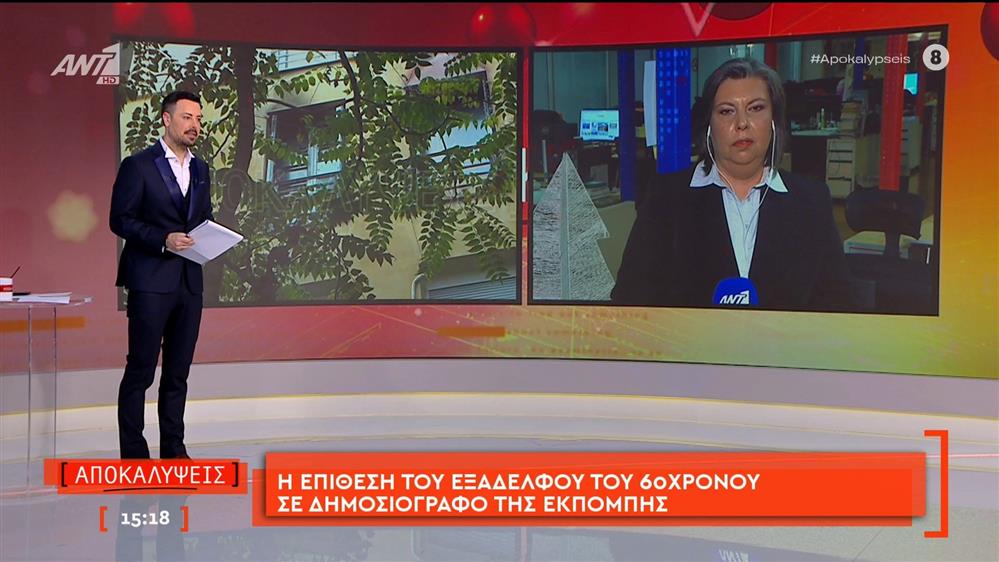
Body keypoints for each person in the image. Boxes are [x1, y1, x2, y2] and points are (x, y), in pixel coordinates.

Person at [612, 58, 855, 311]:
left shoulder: (812, 201)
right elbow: (629, 299)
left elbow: (840, 302)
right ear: (709, 125)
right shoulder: (665, 198)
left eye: (756, 108)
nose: (742, 123)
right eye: (727, 111)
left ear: (774, 120)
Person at [110, 91, 213, 459]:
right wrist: (162, 239)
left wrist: (212, 235)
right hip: (150, 281)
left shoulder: (201, 170)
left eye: (198, 119)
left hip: (189, 281)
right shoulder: (138, 165)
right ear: (167, 119)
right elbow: (120, 220)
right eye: (187, 117)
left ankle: (174, 450)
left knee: (178, 372)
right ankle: (134, 456)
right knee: (141, 370)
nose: (194, 125)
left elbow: (203, 217)